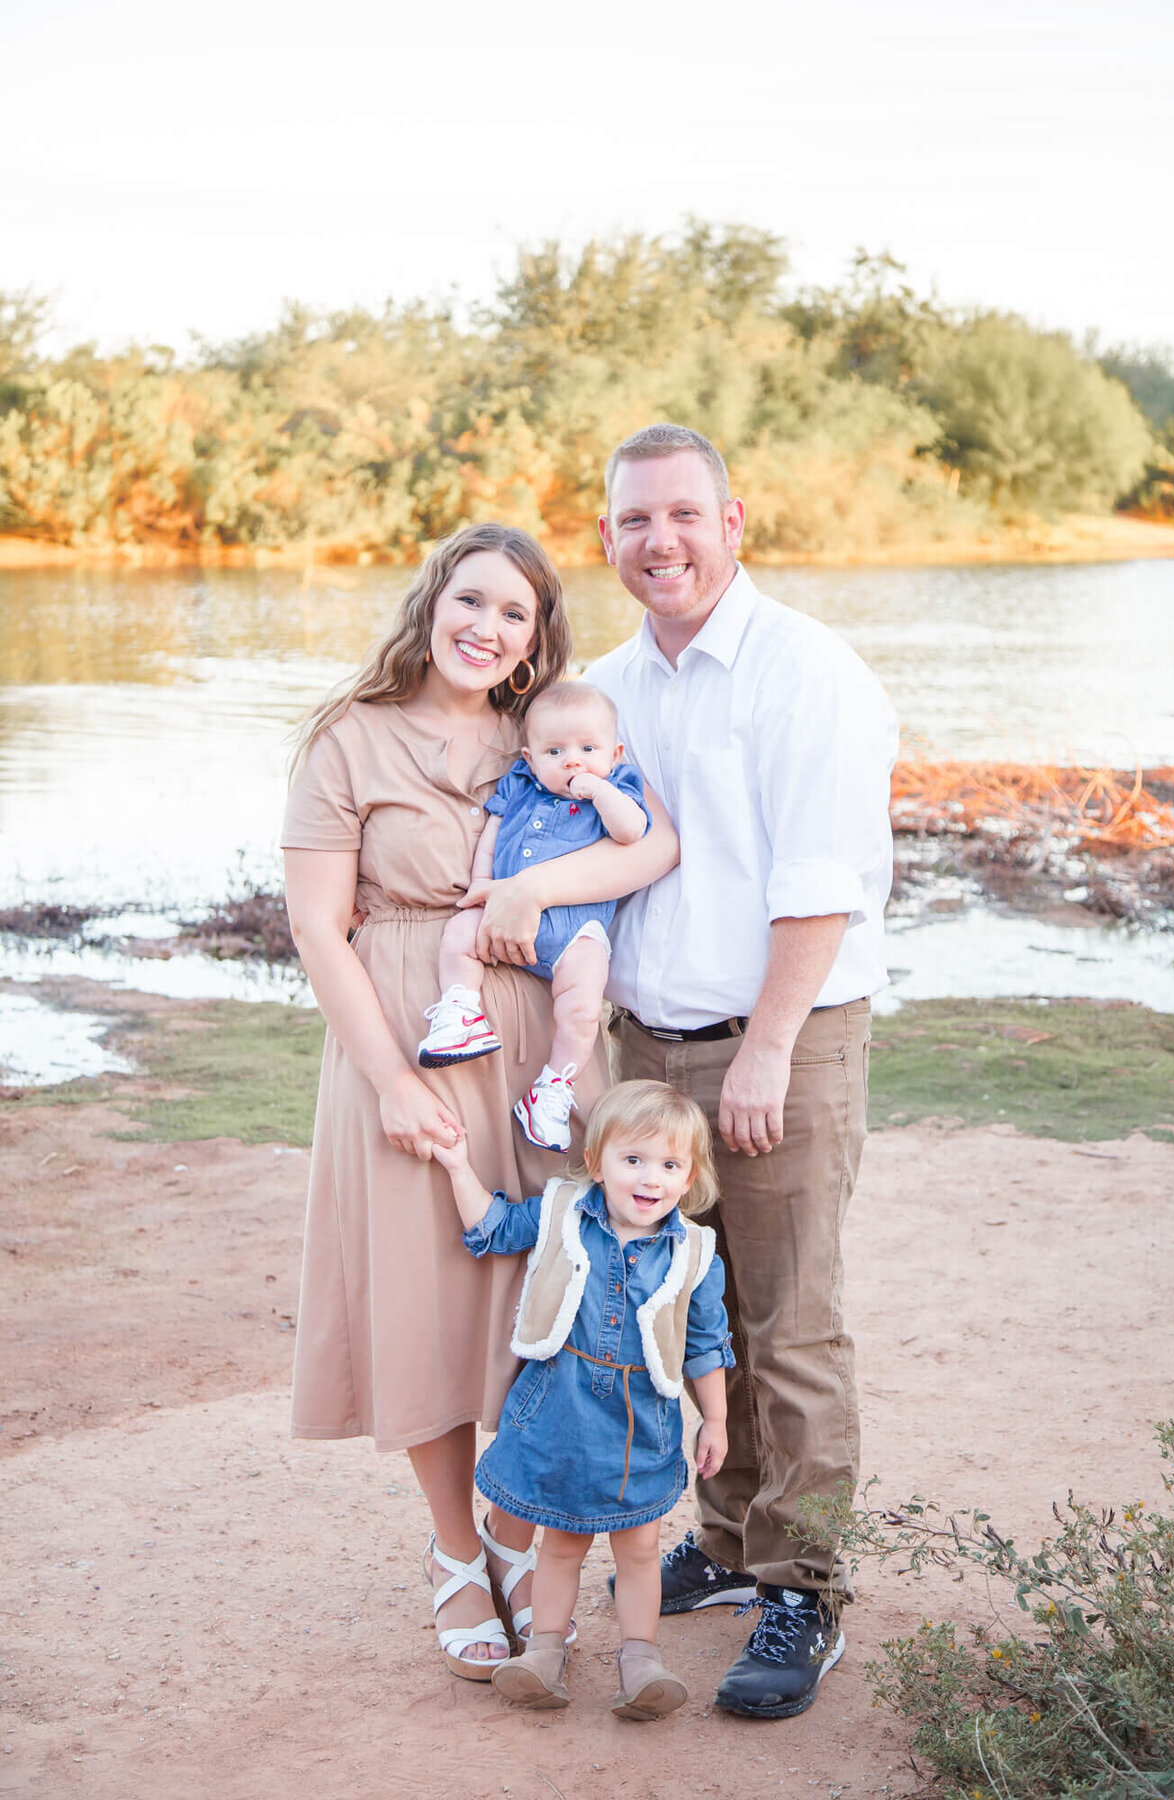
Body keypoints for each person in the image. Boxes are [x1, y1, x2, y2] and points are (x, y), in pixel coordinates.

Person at [476, 426, 897, 1720]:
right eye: (633, 522)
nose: (660, 541)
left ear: (734, 520)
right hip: (645, 1051)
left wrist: (768, 1044)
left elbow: (819, 877)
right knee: (681, 1300)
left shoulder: (804, 671)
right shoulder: (607, 688)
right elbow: (608, 850)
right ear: (604, 540)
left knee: (788, 1319)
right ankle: (724, 1540)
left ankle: (804, 1588)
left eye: (683, 515)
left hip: (782, 1036)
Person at [281, 523, 678, 1683]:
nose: (487, 628)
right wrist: (392, 1078)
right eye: (471, 601)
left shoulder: (550, 733)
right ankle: (458, 1553)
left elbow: (649, 849)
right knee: (431, 1295)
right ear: (432, 602)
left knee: (546, 1292)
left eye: (515, 613)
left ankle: (518, 1537)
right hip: (410, 1033)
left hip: (546, 1056)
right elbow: (317, 925)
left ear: (538, 637)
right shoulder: (350, 739)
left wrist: (534, 885)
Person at [430, 1079, 735, 1719]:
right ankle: (544, 1652)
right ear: (597, 1163)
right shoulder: (561, 1213)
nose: (650, 1178)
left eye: (669, 1165)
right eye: (633, 1160)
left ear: (689, 1178)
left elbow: (707, 1343)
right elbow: (490, 1228)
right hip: (561, 1408)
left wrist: (716, 1419)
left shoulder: (697, 1254)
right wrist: (458, 1165)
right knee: (563, 1541)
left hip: (641, 1422)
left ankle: (640, 1659)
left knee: (641, 1547)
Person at [418, 679, 650, 1153]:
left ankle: (553, 1089)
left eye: (588, 748)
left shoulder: (619, 786)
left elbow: (632, 831)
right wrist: (482, 882)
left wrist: (598, 789)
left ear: (616, 752)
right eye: (554, 751)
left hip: (575, 933)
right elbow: (493, 830)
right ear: (528, 758)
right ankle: (459, 1009)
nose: (572, 760)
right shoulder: (520, 784)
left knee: (583, 1008)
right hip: (501, 910)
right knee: (459, 934)